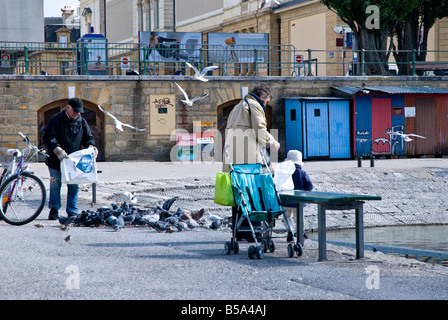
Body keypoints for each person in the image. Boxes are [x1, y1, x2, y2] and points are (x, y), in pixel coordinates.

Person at [223, 83, 280, 241]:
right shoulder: (254, 105)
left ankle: (239, 232)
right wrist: (272, 142)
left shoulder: (238, 106)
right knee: (253, 194)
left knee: (239, 196)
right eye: (267, 100)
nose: (266, 103)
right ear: (263, 95)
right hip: (249, 160)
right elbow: (260, 129)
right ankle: (253, 233)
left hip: (233, 160)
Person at [42, 98, 97, 220]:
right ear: (68, 108)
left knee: (74, 186)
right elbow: (47, 137)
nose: (77, 114)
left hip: (73, 162)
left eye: (79, 112)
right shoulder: (56, 119)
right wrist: (57, 149)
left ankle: (72, 211)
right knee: (55, 185)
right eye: (75, 112)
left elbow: (88, 137)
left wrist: (91, 147)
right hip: (56, 160)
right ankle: (54, 210)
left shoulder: (81, 121)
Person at [281, 150, 313, 240]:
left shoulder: (284, 172)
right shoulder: (302, 173)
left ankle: (290, 231)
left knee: (287, 217)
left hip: (286, 201)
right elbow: (309, 186)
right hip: (299, 201)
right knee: (299, 218)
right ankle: (300, 232)